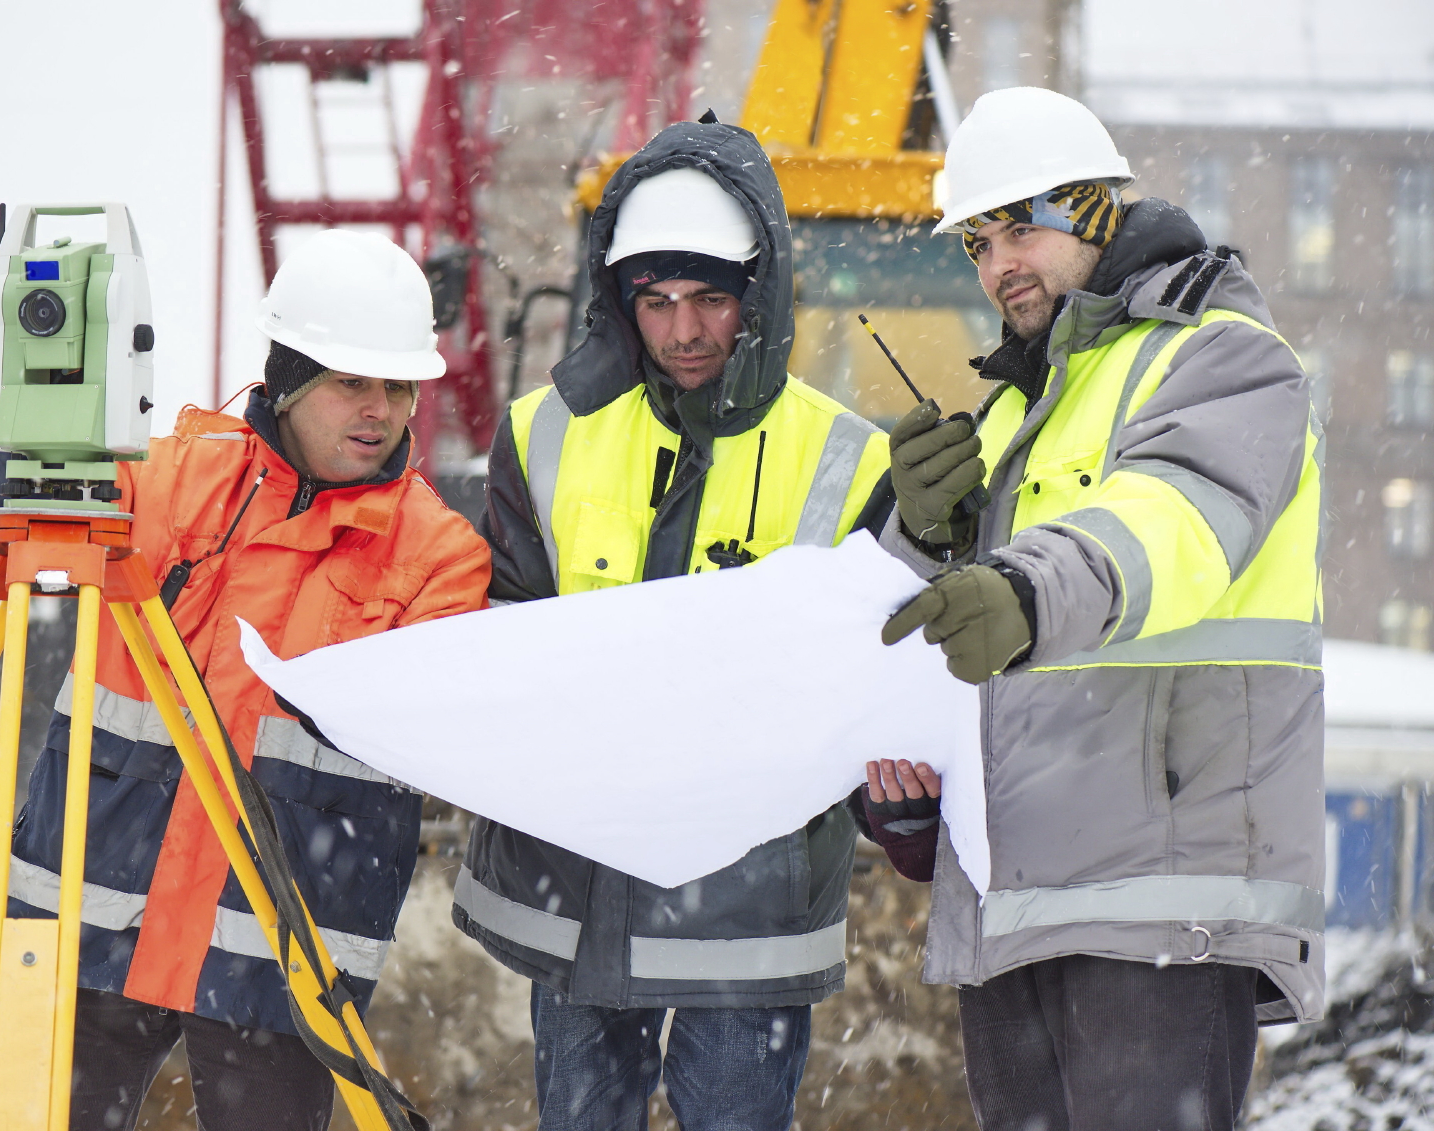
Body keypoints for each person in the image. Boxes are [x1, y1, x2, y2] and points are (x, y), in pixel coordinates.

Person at [0, 228, 491, 1131]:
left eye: (397, 386)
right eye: (350, 382)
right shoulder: (169, 473)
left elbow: (448, 737)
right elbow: (17, 529)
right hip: (94, 912)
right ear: (287, 376)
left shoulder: (440, 556)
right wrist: (3, 481)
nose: (378, 409)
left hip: (281, 949)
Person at [879, 86, 1325, 1130]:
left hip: (1159, 898)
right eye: (976, 243)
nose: (998, 265)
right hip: (1017, 902)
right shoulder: (1008, 413)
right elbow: (926, 631)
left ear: (1095, 208)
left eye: (1022, 225)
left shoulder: (1219, 357)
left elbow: (1167, 523)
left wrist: (1021, 588)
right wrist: (918, 533)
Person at [451, 114, 895, 1131]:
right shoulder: (540, 433)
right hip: (578, 893)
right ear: (619, 299)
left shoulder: (846, 460)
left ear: (759, 293)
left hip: (749, 913)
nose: (683, 331)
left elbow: (867, 689)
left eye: (708, 299)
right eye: (653, 301)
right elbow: (503, 631)